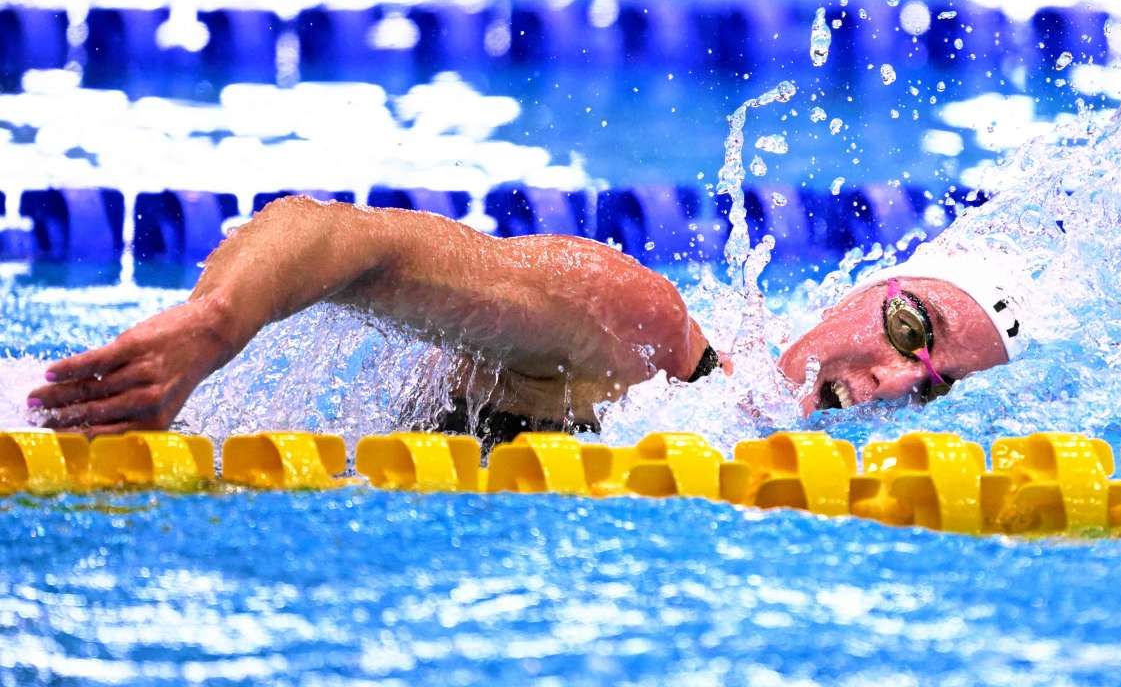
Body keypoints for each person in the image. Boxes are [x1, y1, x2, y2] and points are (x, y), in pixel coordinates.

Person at [26, 195, 1023, 449]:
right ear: (862, 292)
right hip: (78, 421)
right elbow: (339, 238)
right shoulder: (645, 342)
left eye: (931, 384)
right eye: (906, 330)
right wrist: (213, 323)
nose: (895, 381)